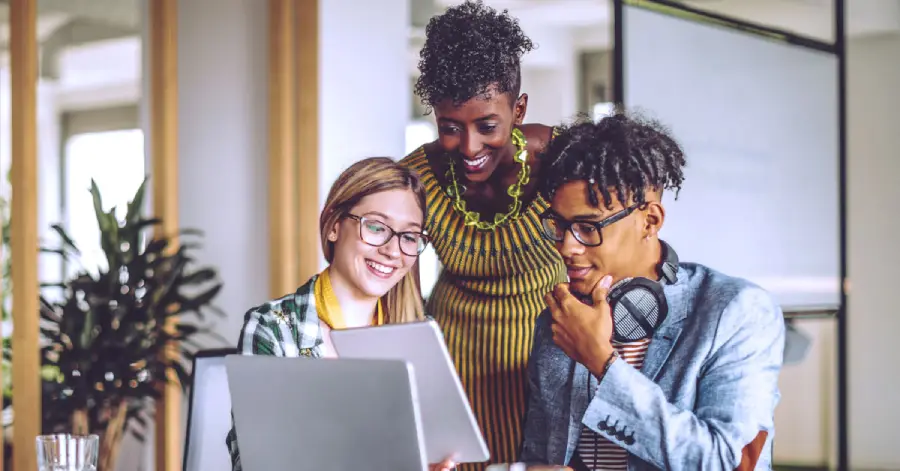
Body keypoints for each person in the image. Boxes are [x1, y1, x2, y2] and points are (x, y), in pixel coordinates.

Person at [520, 113, 785, 470]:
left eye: (587, 226)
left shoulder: (737, 312)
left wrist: (602, 362)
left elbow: (729, 462)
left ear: (650, 220)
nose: (567, 246)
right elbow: (538, 455)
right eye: (560, 226)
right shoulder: (561, 321)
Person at [400, 2, 567, 467]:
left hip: (546, 367)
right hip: (454, 371)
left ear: (519, 109)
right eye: (450, 128)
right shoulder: (416, 176)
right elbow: (404, 307)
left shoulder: (563, 161)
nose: (468, 147)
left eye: (487, 125)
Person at [225, 157, 456, 471]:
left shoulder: (422, 332)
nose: (392, 250)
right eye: (376, 227)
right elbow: (251, 463)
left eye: (409, 236)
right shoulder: (273, 328)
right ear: (334, 225)